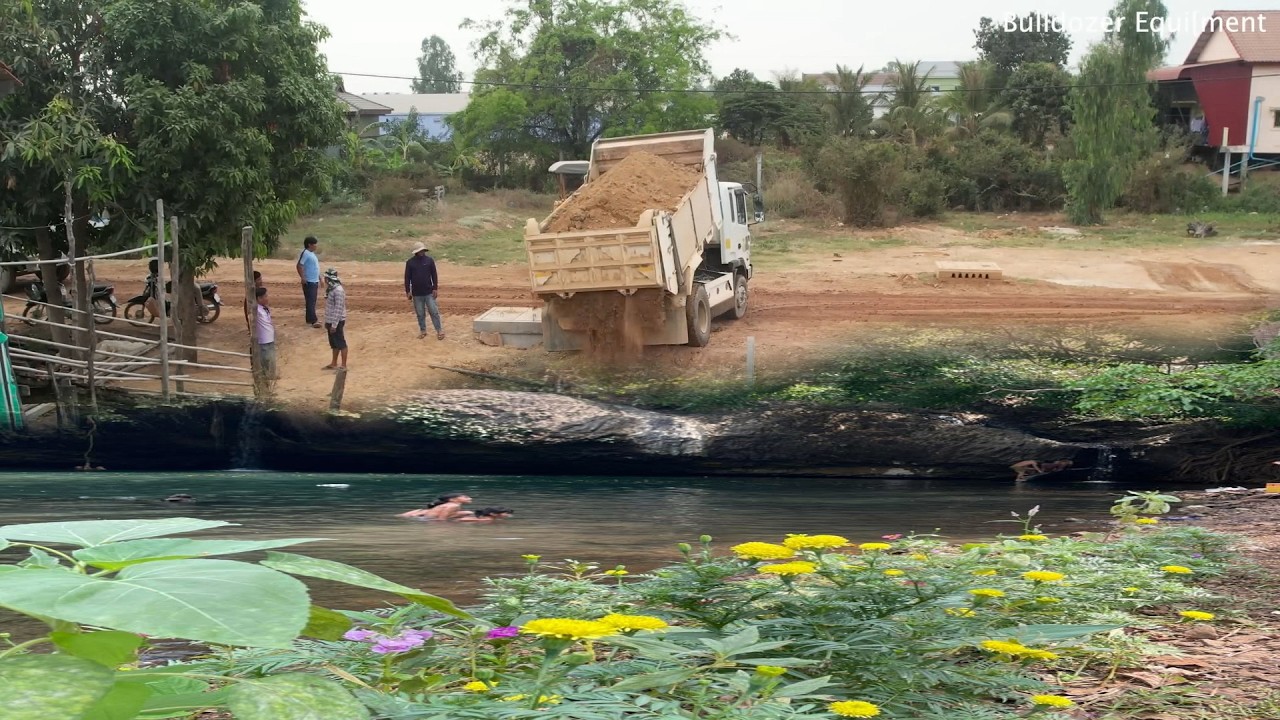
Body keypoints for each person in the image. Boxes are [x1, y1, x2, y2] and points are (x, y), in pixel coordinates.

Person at [404, 242, 443, 340]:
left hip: (429, 292)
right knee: (420, 314)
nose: (422, 252)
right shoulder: (410, 263)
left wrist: (435, 288)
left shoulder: (429, 261)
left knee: (434, 312)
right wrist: (408, 291)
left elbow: (434, 275)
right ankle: (423, 331)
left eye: (422, 250)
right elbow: (407, 278)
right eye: (420, 251)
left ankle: (439, 330)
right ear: (416, 252)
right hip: (416, 294)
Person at [322, 267, 348, 370]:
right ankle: (334, 363)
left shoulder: (338, 291)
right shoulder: (332, 289)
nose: (324, 280)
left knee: (341, 343)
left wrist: (334, 325)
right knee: (334, 344)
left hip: (336, 321)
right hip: (331, 320)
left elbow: (338, 309)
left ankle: (343, 365)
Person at [296, 236, 321, 328]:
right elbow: (299, 265)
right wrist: (303, 277)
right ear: (309, 245)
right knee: (311, 301)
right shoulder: (306, 253)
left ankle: (310, 319)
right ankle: (313, 320)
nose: (316, 246)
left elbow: (315, 267)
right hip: (309, 281)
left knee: (311, 301)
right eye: (314, 244)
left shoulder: (311, 254)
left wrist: (320, 277)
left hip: (314, 280)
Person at [254, 287, 277, 381]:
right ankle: (265, 375)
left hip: (269, 336)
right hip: (263, 339)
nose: (267, 298)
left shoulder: (264, 308)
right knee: (265, 358)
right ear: (259, 298)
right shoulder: (256, 310)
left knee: (271, 356)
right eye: (265, 296)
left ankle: (271, 374)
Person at [398, 492, 473, 520]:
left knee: (467, 513)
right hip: (425, 520)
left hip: (424, 518)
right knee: (467, 513)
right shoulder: (453, 506)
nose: (470, 498)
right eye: (465, 497)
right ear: (452, 499)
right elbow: (441, 519)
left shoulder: (450, 505)